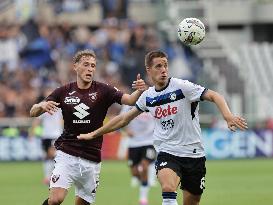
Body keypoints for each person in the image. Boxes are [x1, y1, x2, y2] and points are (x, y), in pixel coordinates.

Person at [78, 50, 248, 205]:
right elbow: (123, 119)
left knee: (192, 201)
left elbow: (214, 95)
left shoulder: (182, 87)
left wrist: (228, 116)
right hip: (167, 151)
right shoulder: (148, 97)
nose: (163, 70)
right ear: (149, 70)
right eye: (158, 66)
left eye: (165, 65)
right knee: (167, 188)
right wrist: (95, 133)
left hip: (194, 153)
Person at [29, 49, 146, 205]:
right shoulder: (63, 91)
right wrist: (41, 105)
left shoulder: (104, 90)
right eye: (86, 64)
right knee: (55, 199)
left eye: (93, 65)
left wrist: (138, 91)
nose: (90, 69)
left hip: (92, 158)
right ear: (75, 66)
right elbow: (33, 112)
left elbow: (130, 100)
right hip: (67, 153)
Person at [120, 105, 156, 205]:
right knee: (135, 173)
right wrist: (126, 130)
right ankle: (145, 182)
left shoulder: (153, 101)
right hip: (133, 143)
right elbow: (121, 120)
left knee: (145, 166)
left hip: (149, 142)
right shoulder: (128, 106)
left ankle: (143, 198)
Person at [30, 87, 63, 185]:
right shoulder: (43, 106)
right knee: (47, 157)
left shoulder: (59, 105)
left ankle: (53, 177)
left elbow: (63, 119)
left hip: (56, 134)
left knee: (52, 155)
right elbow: (37, 120)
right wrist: (32, 132)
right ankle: (48, 177)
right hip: (46, 135)